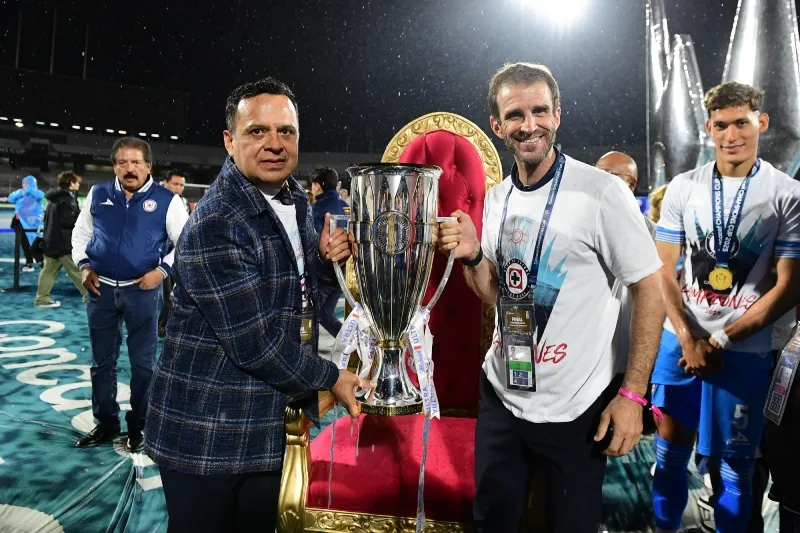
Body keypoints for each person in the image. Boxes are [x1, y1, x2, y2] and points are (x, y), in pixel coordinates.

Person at [437, 62, 665, 533]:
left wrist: (632, 394)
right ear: (498, 126)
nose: (529, 124)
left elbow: (650, 289)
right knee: (491, 524)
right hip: (503, 394)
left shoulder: (601, 192)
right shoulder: (497, 199)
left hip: (575, 408)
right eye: (515, 114)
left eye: (540, 110)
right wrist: (475, 257)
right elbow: (496, 295)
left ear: (558, 115)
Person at [144, 78, 364, 533]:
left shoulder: (294, 199)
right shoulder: (218, 220)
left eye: (286, 132)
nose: (274, 144)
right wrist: (331, 378)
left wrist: (323, 263)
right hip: (208, 433)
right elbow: (254, 343)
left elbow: (295, 293)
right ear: (229, 140)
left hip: (266, 420)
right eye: (257, 131)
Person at [650, 81, 800, 533]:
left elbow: (791, 288)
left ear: (762, 122)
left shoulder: (786, 193)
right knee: (669, 460)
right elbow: (662, 271)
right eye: (720, 125)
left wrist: (717, 338)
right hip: (680, 344)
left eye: (741, 123)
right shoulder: (683, 187)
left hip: (745, 351)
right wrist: (687, 334)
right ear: (708, 127)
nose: (731, 134)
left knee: (733, 473)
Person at [71, 136, 189, 453]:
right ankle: (106, 423)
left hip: (144, 292)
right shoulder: (97, 193)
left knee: (143, 365)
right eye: (122, 162)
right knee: (101, 363)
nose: (129, 168)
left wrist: (162, 270)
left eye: (136, 162)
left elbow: (187, 245)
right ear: (114, 166)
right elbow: (81, 233)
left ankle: (140, 426)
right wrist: (83, 266)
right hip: (101, 290)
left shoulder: (168, 200)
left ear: (148, 166)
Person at [34, 171, 88, 308]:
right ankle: (91, 297)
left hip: (51, 242)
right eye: (76, 182)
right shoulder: (67, 199)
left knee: (48, 272)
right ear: (70, 183)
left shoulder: (53, 198)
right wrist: (81, 218)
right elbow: (68, 221)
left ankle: (41, 299)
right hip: (64, 243)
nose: (78, 184)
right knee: (78, 270)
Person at [310, 166, 349, 337]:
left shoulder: (316, 209)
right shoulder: (347, 207)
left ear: (318, 186)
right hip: (345, 273)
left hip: (324, 273)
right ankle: (351, 346)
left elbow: (316, 243)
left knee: (310, 316)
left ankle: (310, 358)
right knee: (325, 315)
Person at [158, 169, 191, 336]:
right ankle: (160, 326)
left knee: (174, 292)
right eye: (175, 184)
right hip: (159, 254)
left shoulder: (183, 202)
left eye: (181, 185)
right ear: (165, 183)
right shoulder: (156, 199)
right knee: (163, 293)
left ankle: (166, 324)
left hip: (177, 253)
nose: (178, 188)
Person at [8, 175, 44, 272]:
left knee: (34, 243)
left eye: (26, 183)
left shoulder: (36, 193)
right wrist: (21, 192)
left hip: (32, 223)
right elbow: (10, 198)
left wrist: (28, 190)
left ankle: (42, 262)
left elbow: (41, 195)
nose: (24, 185)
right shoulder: (21, 193)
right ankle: (29, 263)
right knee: (24, 244)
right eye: (23, 183)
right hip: (20, 223)